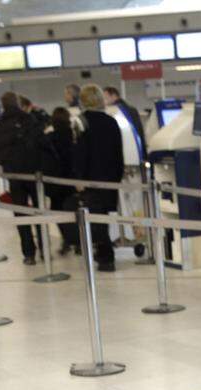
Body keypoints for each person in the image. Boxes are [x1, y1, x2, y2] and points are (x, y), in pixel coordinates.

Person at [71, 84, 124, 272]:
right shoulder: (112, 121)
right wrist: (118, 176)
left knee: (96, 217)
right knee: (105, 216)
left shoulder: (80, 122)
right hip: (110, 176)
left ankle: (106, 256)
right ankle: (104, 252)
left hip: (91, 177)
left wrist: (79, 178)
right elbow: (118, 153)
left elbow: (79, 153)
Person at [0, 91, 44, 265]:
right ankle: (44, 248)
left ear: (3, 106)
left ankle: (29, 253)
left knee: (20, 214)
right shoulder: (29, 120)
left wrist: (7, 163)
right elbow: (40, 143)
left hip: (14, 175)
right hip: (34, 174)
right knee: (39, 211)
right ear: (18, 103)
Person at [42, 106, 78, 256]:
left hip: (55, 182)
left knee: (58, 212)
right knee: (75, 212)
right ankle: (79, 241)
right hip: (72, 181)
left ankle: (67, 240)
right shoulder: (75, 137)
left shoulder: (49, 139)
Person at [103, 86, 146, 160]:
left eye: (105, 98)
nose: (104, 102)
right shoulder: (129, 109)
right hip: (137, 151)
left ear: (114, 96)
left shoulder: (116, 111)